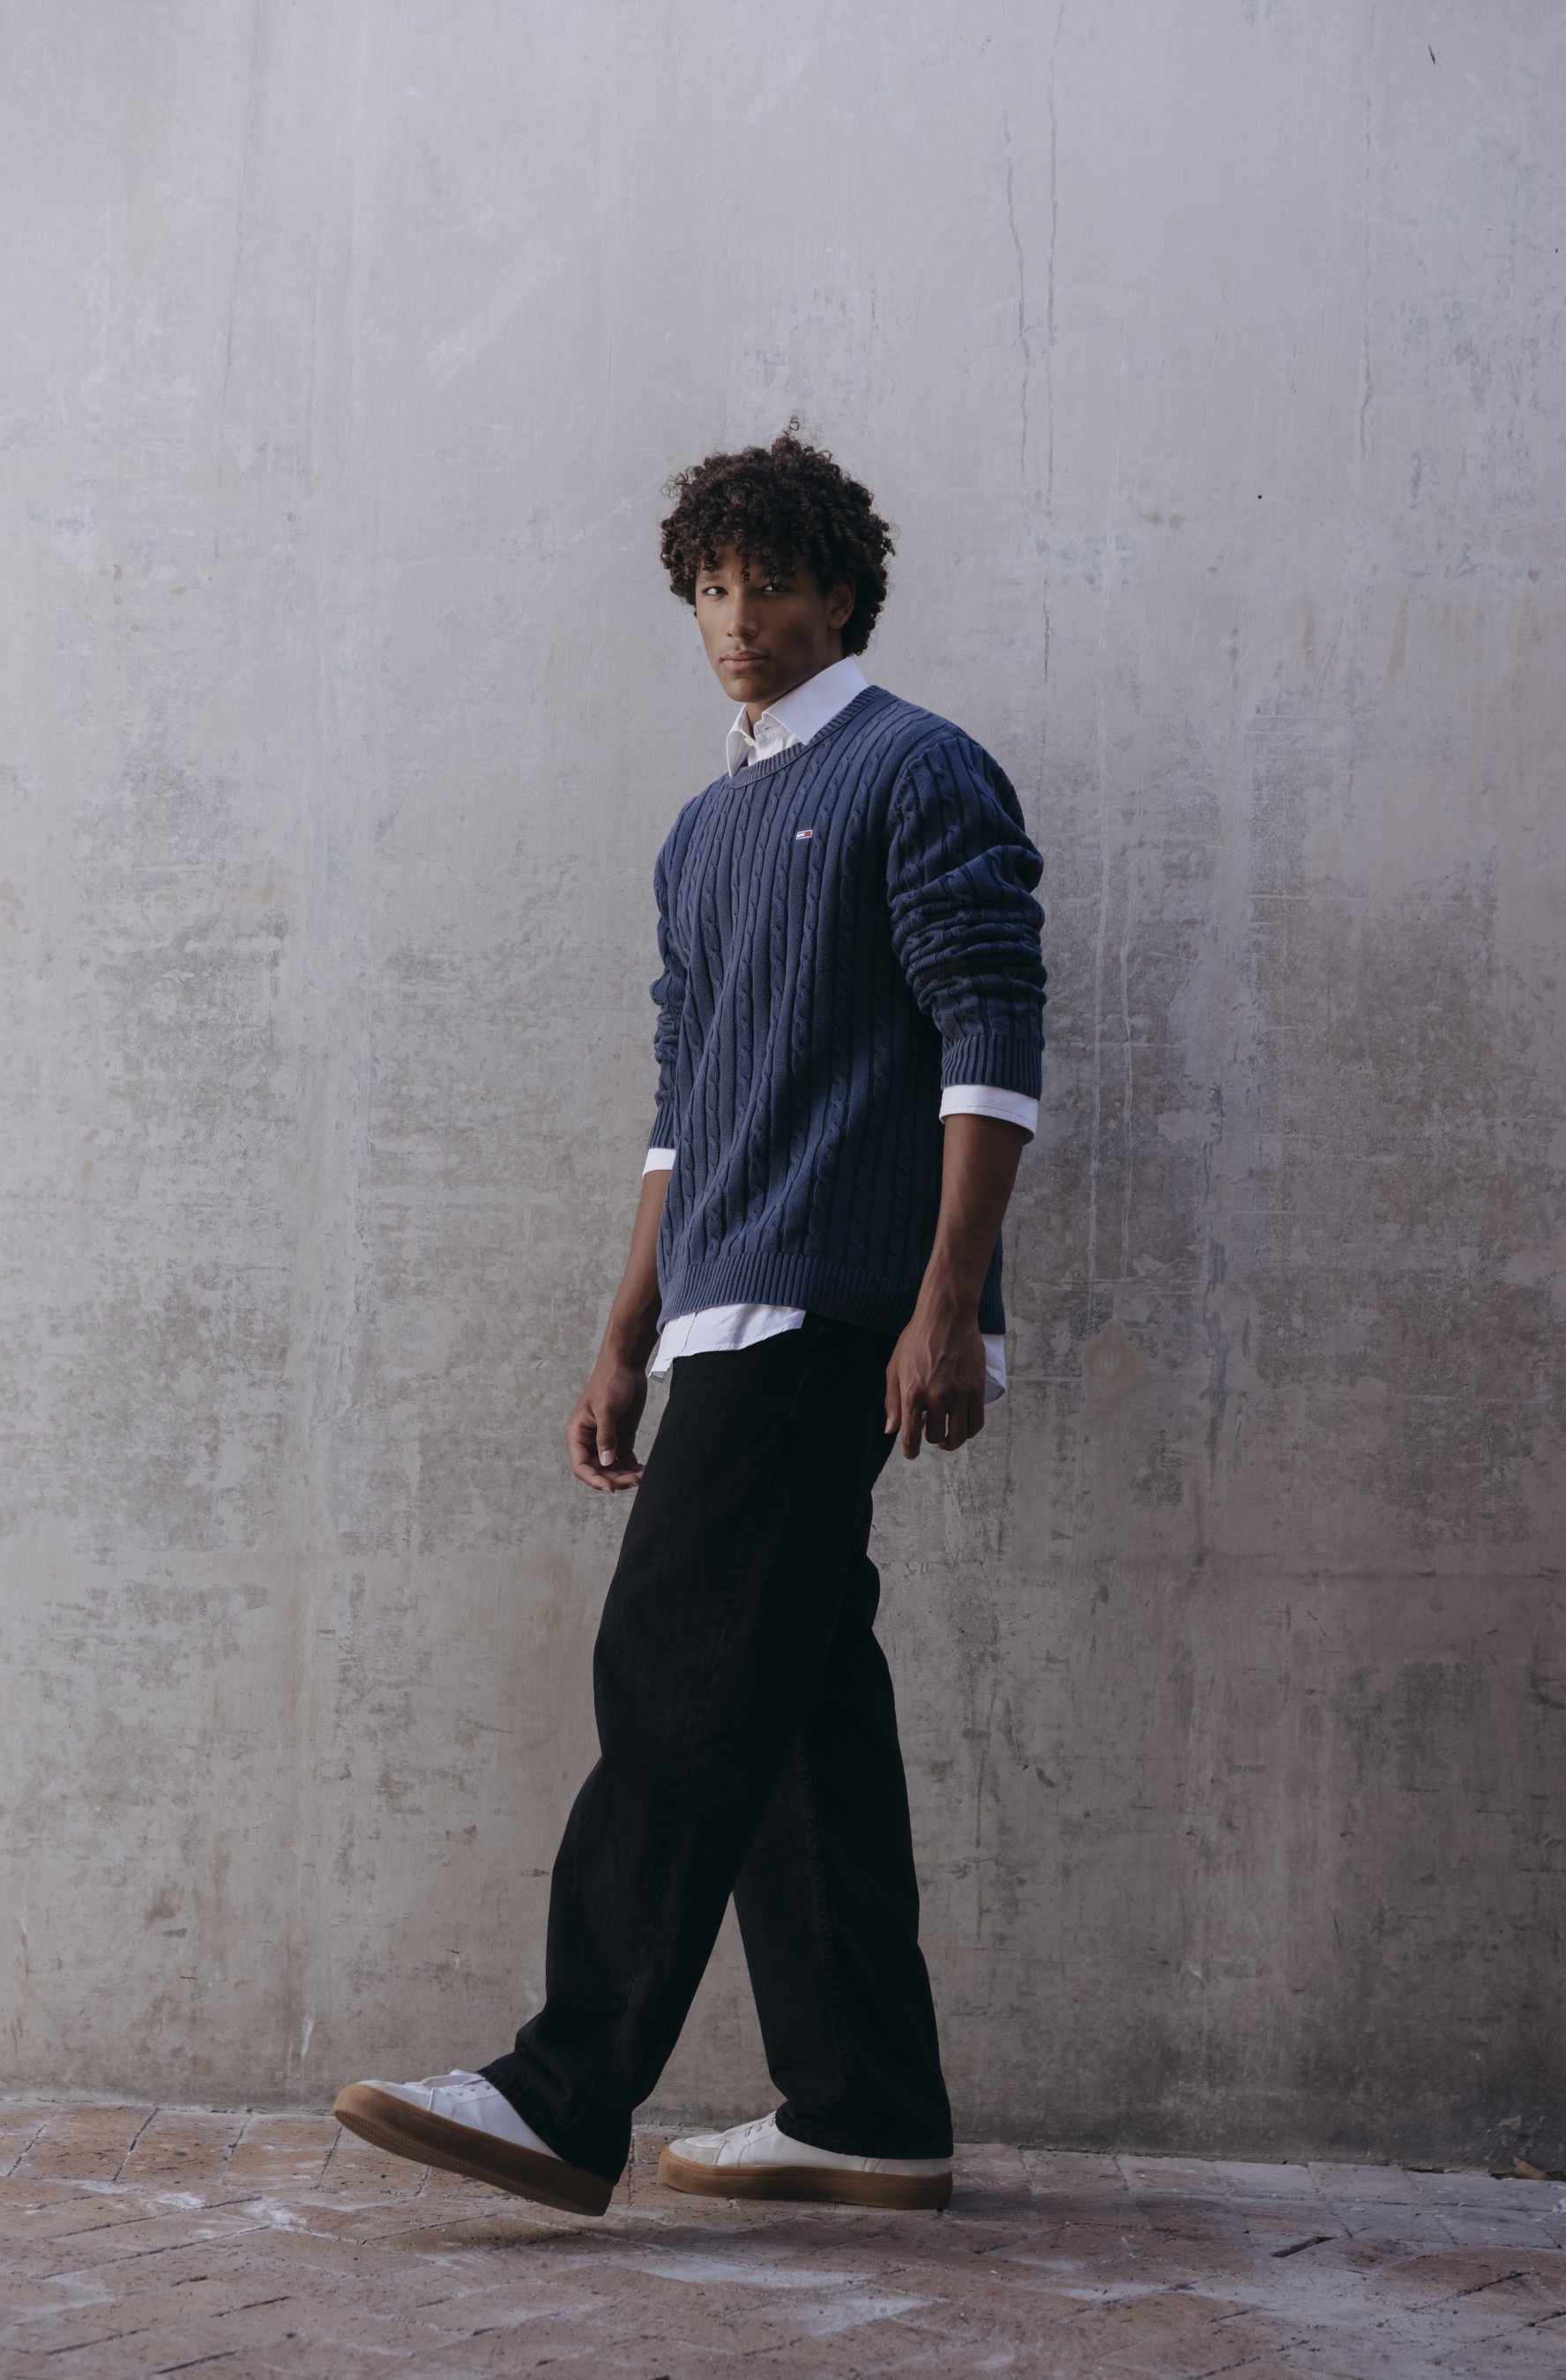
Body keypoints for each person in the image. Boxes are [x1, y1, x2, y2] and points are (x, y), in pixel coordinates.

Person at [333, 424, 1047, 2219]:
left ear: (843, 596)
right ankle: (866, 2107)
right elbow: (686, 1096)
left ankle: (566, 2090)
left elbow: (990, 1033)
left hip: (838, 1302)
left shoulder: (917, 769)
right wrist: (623, 1330)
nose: (739, 619)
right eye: (714, 588)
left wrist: (948, 1304)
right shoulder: (703, 827)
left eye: (773, 583)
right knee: (794, 1701)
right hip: (721, 1300)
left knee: (675, 1666)